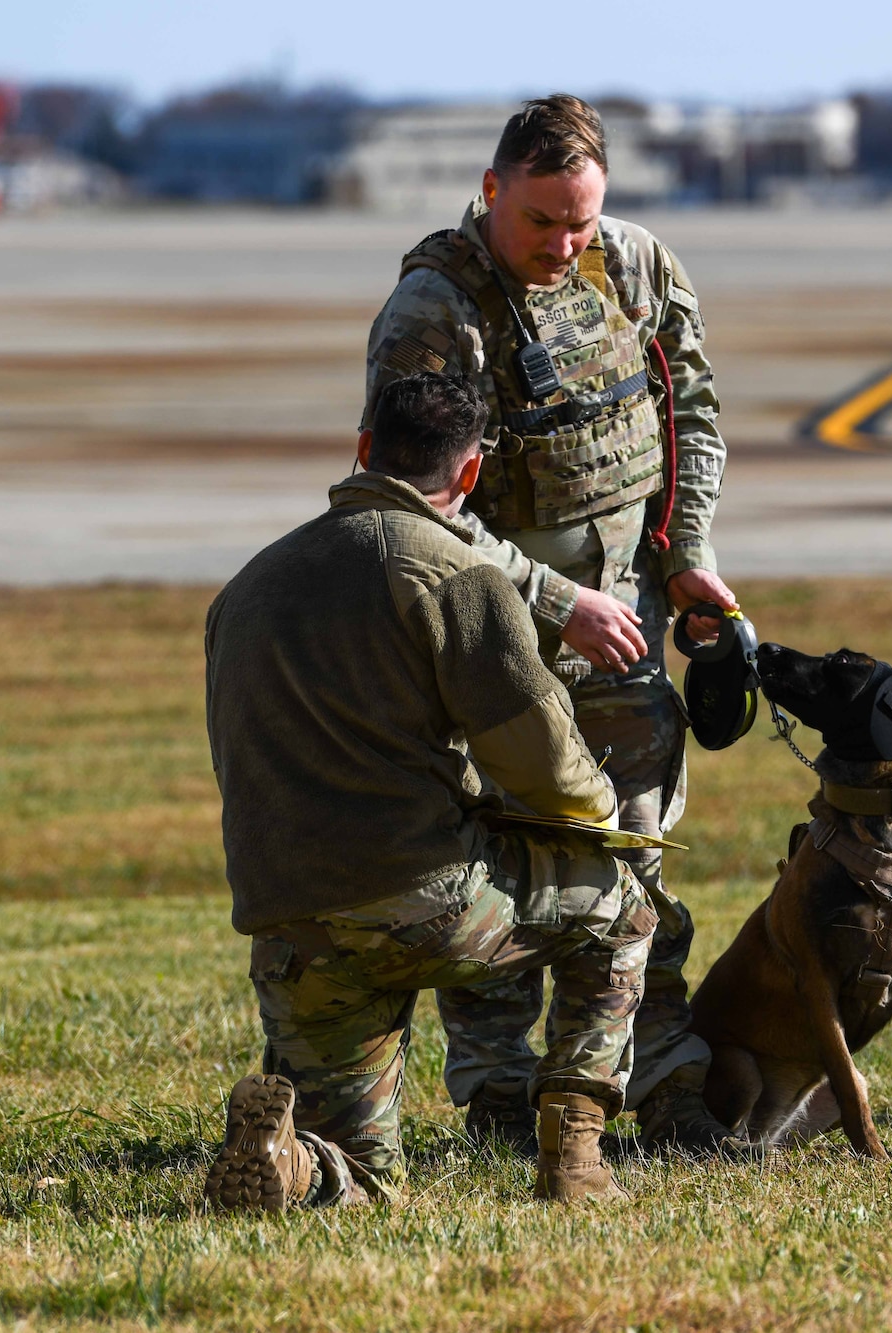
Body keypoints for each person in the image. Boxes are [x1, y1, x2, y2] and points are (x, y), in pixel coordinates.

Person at [361, 94, 740, 1154]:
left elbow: (690, 411)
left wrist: (689, 555)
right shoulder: (434, 316)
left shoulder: (633, 267)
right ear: (489, 192)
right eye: (540, 223)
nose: (563, 247)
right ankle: (499, 1101)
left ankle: (663, 1086)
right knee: (505, 870)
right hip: (495, 647)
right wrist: (555, 604)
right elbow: (412, 508)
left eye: (580, 222)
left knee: (634, 865)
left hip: (627, 626)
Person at [201, 371, 657, 1208]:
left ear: (366, 447)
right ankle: (576, 1157)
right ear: (472, 472)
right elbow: (543, 762)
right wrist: (601, 827)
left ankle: (297, 1164)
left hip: (291, 924)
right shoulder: (452, 570)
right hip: (421, 903)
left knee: (364, 1172)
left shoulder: (247, 589)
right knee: (625, 906)